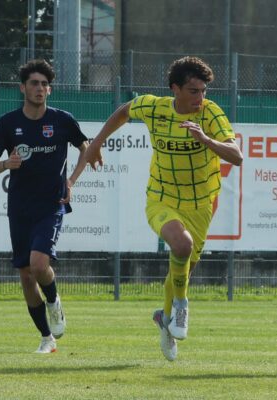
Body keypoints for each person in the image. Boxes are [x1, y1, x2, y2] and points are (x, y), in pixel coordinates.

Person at [82, 56, 243, 361]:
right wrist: (95, 144)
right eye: (194, 91)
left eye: (204, 91)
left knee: (183, 265)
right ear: (175, 89)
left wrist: (206, 139)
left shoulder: (210, 113)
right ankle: (181, 307)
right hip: (162, 198)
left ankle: (165, 320)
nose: (201, 97)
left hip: (199, 204)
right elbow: (125, 111)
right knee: (181, 245)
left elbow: (236, 156)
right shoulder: (154, 107)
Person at [0, 59, 89, 353]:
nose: (39, 88)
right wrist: (7, 163)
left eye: (44, 84)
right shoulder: (8, 123)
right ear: (23, 88)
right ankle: (47, 338)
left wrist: (71, 182)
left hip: (51, 204)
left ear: (50, 89)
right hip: (19, 207)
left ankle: (54, 301)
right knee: (26, 276)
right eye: (34, 83)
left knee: (39, 264)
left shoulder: (62, 120)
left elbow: (86, 148)